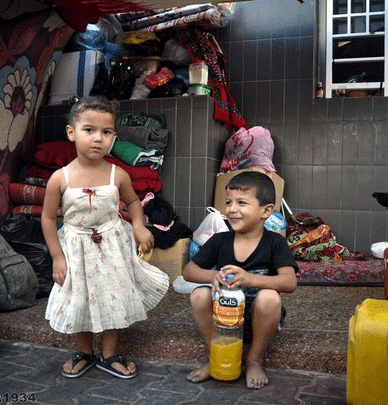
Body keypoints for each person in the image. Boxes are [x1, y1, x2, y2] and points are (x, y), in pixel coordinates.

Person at [41, 96, 169, 379]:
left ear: (113, 136)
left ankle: (109, 353)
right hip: (75, 247)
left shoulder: (118, 174)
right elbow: (48, 218)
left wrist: (138, 226)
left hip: (112, 245)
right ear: (71, 132)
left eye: (106, 132)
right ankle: (84, 351)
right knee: (79, 296)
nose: (98, 138)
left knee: (116, 294)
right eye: (89, 130)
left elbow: (134, 202)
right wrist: (57, 257)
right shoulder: (60, 178)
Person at [182, 171, 298, 389]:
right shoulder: (219, 240)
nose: (231, 209)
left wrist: (249, 279)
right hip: (224, 316)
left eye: (241, 203)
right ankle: (215, 356)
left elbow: (289, 282)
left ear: (266, 211)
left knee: (270, 298)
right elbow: (189, 271)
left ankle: (254, 359)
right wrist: (213, 275)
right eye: (228, 202)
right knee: (199, 295)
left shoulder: (275, 243)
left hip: (260, 319)